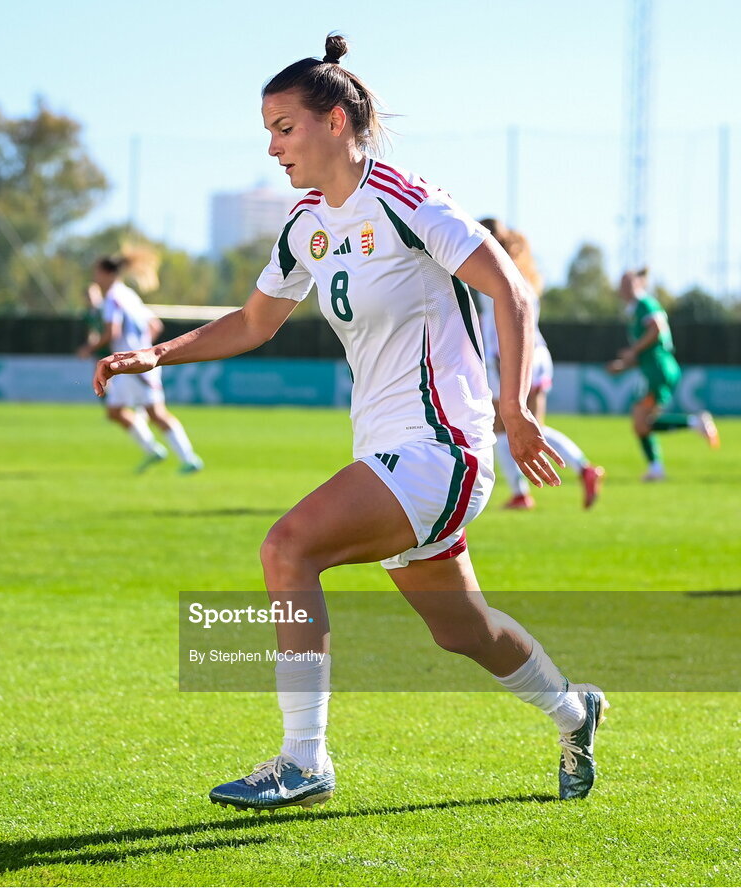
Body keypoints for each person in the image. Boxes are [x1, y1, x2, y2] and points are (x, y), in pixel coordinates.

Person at [95, 35, 607, 809]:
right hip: (389, 449)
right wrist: (157, 354)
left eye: (284, 127)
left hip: (443, 449)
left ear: (335, 122)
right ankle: (575, 710)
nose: (272, 147)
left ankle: (304, 758)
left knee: (287, 545)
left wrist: (514, 412)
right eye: (267, 131)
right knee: (461, 629)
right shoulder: (305, 223)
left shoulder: (407, 199)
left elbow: (513, 291)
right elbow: (256, 321)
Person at [476, 219, 604, 509]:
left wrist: (499, 361)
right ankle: (583, 468)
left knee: (503, 426)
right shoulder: (524, 276)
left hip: (510, 355)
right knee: (531, 425)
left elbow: (502, 326)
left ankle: (521, 493)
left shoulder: (491, 276)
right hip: (537, 354)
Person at [88, 249, 203, 473]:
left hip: (132, 364)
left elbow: (112, 331)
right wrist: (144, 349)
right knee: (114, 411)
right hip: (133, 363)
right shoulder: (129, 295)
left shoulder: (112, 297)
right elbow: (155, 325)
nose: (95, 278)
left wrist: (89, 347)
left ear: (105, 273)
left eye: (96, 273)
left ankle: (189, 458)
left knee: (156, 412)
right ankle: (153, 450)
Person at [608, 268, 719, 481]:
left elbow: (657, 328)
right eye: (622, 284)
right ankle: (657, 468)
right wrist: (623, 365)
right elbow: (647, 350)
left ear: (639, 284)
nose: (623, 288)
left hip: (659, 369)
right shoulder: (635, 311)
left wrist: (632, 352)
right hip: (653, 368)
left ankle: (695, 423)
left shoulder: (645, 304)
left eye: (628, 283)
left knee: (641, 421)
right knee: (643, 423)